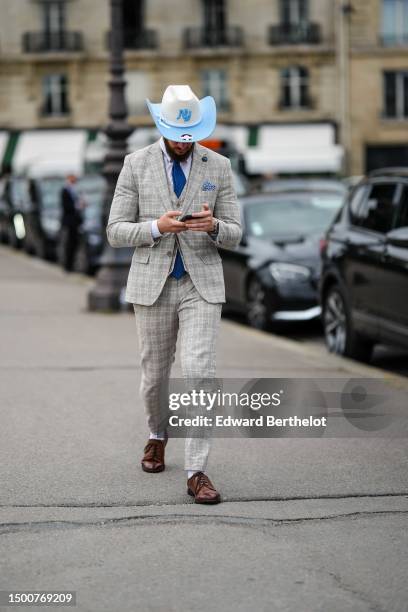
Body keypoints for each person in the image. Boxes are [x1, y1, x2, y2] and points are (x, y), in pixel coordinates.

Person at [106, 84, 242, 503]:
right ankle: (157, 434)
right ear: (162, 126)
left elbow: (236, 233)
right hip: (153, 283)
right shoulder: (135, 164)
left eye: (191, 136)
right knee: (155, 375)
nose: (185, 144)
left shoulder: (217, 165)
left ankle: (197, 469)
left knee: (200, 371)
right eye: (178, 136)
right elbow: (114, 231)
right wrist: (155, 228)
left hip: (202, 283)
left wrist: (215, 226)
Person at [60, 174, 84, 272]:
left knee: (74, 244)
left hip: (75, 222)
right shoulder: (65, 191)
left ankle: (71, 265)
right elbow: (67, 207)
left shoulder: (74, 191)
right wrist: (78, 206)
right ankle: (67, 266)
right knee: (69, 244)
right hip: (69, 223)